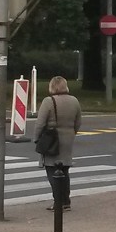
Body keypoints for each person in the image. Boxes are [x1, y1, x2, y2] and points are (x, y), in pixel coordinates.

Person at [34, 76, 82, 211]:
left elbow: (40, 123)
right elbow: (78, 122)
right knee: (64, 171)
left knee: (52, 171)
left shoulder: (48, 101)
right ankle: (66, 201)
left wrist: (36, 138)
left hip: (52, 140)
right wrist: (72, 133)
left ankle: (58, 202)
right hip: (68, 138)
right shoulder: (74, 101)